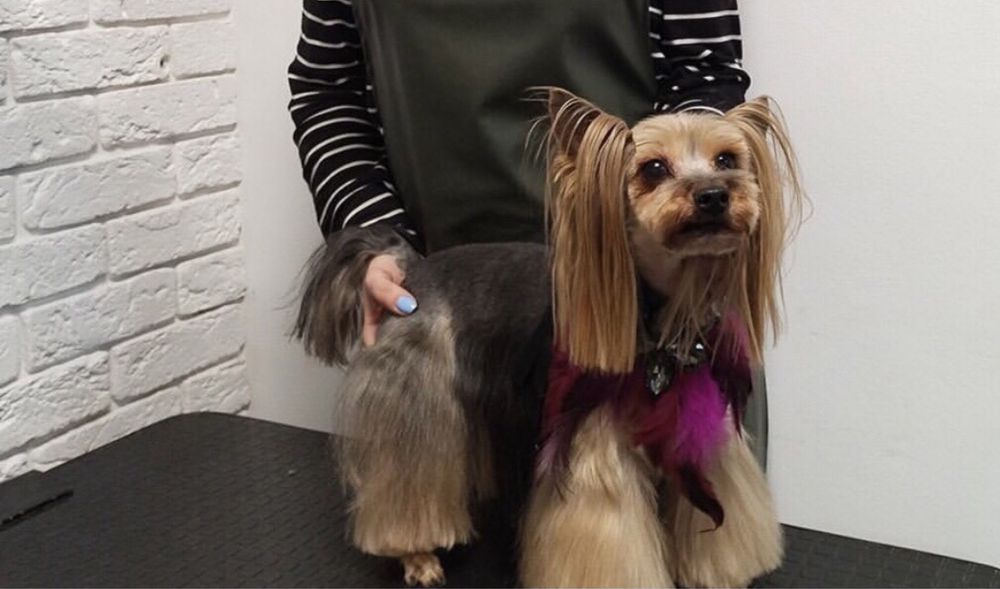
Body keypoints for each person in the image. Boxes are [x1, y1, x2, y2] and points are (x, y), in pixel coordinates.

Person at [288, 0, 751, 347]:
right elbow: (328, 95)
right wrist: (378, 239)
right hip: (442, 309)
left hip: (639, 304)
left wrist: (674, 199)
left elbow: (704, 75)